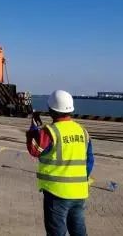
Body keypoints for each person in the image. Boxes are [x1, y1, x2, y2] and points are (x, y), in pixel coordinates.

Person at [26, 90, 94, 236]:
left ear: (51, 110)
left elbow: (34, 149)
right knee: (79, 232)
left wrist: (34, 127)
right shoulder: (82, 131)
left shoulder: (50, 132)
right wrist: (80, 179)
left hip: (56, 193)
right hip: (79, 192)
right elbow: (89, 161)